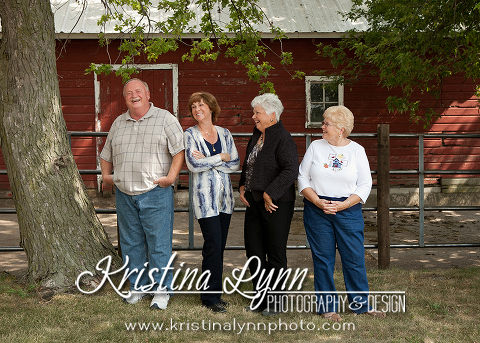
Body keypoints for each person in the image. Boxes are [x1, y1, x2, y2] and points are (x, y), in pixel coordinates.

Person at [100, 78, 185, 310]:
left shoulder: (165, 118)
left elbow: (179, 151)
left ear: (148, 94)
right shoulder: (119, 122)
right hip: (125, 193)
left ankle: (161, 291)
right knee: (131, 243)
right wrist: (107, 176)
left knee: (159, 244)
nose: (133, 95)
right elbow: (106, 154)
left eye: (138, 91)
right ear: (125, 98)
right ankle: (138, 287)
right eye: (128, 92)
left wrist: (171, 178)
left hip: (156, 191)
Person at [297, 105, 385, 322]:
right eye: (324, 122)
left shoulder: (356, 150)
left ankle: (361, 305)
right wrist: (317, 201)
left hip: (348, 210)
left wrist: (343, 205)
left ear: (341, 129)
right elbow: (302, 178)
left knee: (354, 258)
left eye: (327, 123)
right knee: (323, 259)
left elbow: (365, 185)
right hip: (317, 209)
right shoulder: (316, 147)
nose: (322, 127)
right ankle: (327, 307)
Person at [239, 93, 299, 316]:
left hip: (277, 204)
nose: (253, 116)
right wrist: (243, 185)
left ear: (272, 115)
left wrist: (269, 193)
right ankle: (260, 298)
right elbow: (249, 165)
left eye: (257, 112)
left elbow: (291, 169)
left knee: (275, 253)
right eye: (254, 112)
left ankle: (276, 302)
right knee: (254, 251)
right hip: (254, 203)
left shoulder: (283, 138)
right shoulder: (257, 135)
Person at [184, 92, 240, 313]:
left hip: (225, 200)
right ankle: (209, 297)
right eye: (194, 106)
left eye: (201, 105)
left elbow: (234, 162)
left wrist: (207, 160)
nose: (197, 109)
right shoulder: (190, 135)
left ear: (211, 108)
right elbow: (193, 165)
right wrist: (220, 158)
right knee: (212, 245)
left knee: (220, 247)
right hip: (204, 200)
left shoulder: (225, 134)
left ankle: (215, 293)